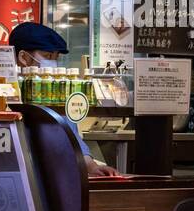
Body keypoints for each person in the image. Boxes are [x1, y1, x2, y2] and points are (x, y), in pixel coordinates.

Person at [8, 22, 119, 178]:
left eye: (56, 57)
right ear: (23, 57)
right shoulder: (6, 92)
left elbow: (73, 139)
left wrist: (92, 167)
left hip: (57, 175)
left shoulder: (59, 95)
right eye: (47, 56)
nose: (53, 63)